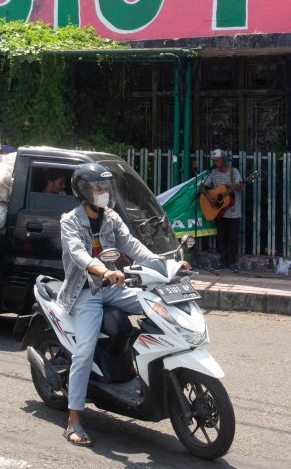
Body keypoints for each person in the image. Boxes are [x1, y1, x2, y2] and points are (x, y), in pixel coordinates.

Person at [57, 163, 186, 447]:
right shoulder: (70, 221)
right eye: (98, 189)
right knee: (84, 351)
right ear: (83, 191)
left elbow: (134, 247)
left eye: (106, 189)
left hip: (114, 288)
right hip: (85, 292)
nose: (104, 194)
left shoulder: (111, 217)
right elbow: (78, 254)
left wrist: (168, 265)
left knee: (157, 305)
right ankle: (74, 420)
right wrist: (103, 270)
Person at [199, 149, 244, 271]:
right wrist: (209, 197)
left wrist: (240, 186)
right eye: (214, 160)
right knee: (221, 237)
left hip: (233, 211)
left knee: (233, 238)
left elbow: (239, 187)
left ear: (224, 159)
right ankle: (223, 262)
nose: (215, 162)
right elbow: (202, 186)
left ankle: (232, 263)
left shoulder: (234, 172)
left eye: (217, 160)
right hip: (218, 211)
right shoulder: (213, 173)